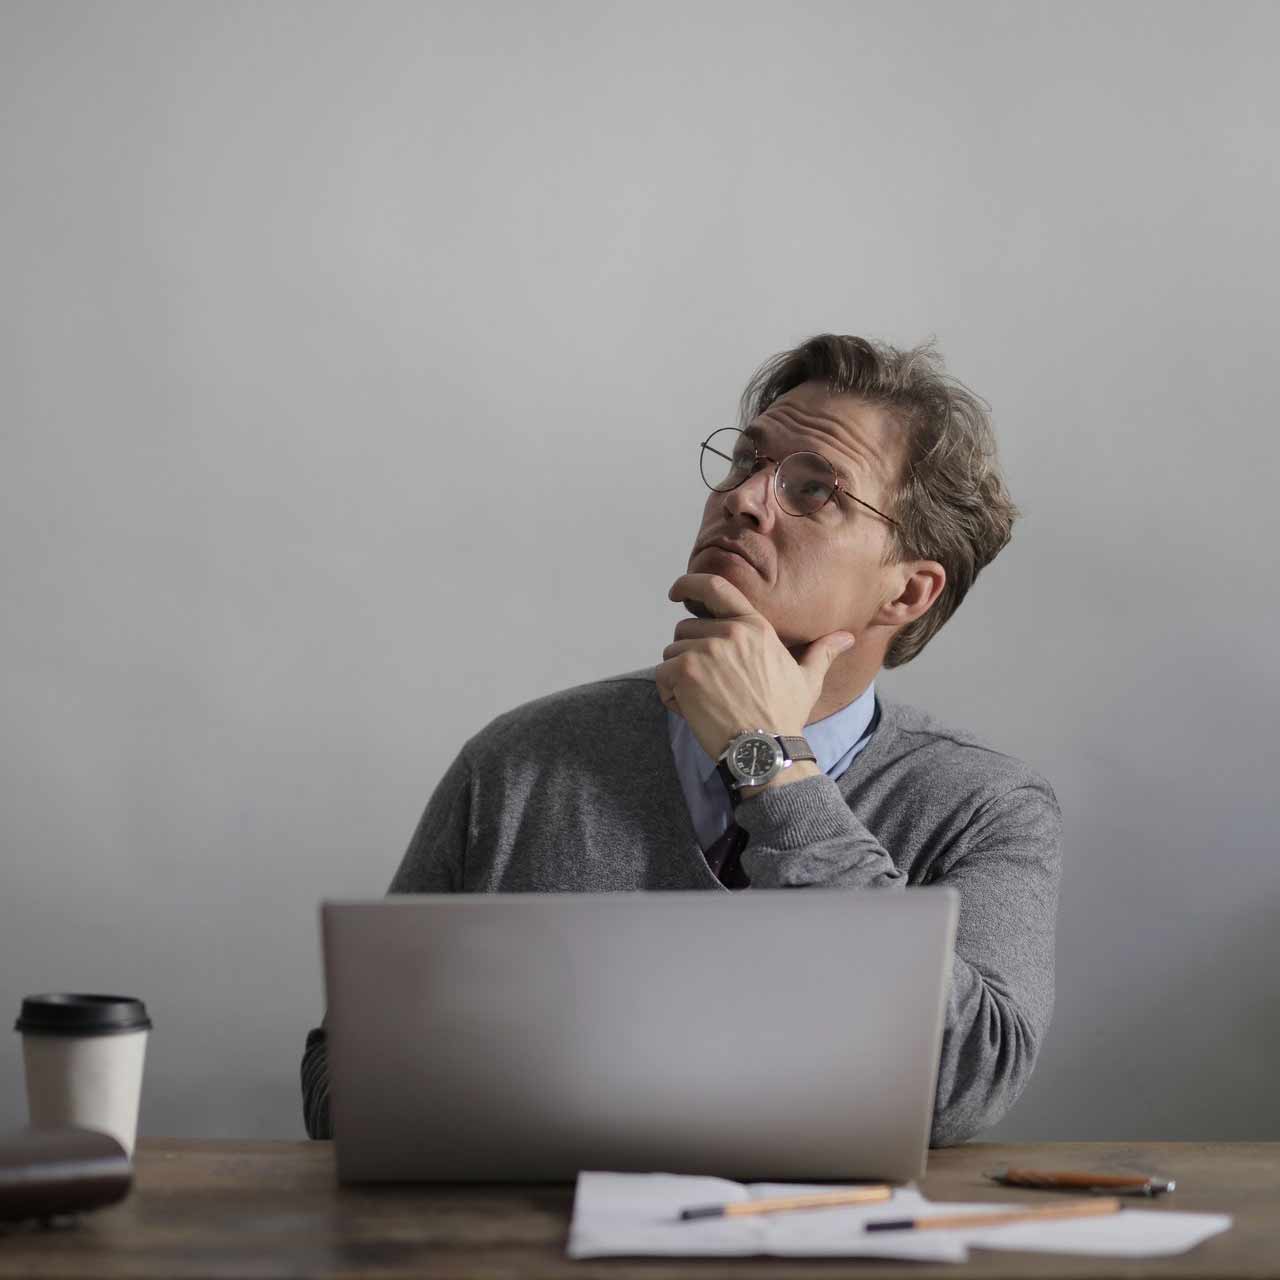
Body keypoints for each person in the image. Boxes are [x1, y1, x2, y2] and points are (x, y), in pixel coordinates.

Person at [300, 333, 1062, 1147]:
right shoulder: (522, 762)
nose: (743, 499)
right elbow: (343, 1087)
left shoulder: (985, 807)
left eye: (814, 490)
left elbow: (965, 1089)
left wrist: (770, 764)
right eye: (746, 461)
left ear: (907, 590)